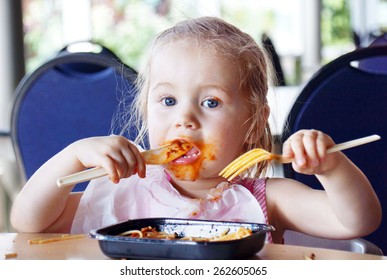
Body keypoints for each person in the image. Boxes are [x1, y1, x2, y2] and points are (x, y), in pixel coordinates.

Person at [11, 17, 381, 244]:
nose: (184, 119)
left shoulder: (266, 200)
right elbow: (29, 223)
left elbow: (356, 221)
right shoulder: (122, 194)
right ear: (145, 112)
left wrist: (331, 169)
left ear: (252, 122)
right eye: (168, 101)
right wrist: (72, 155)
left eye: (210, 103)